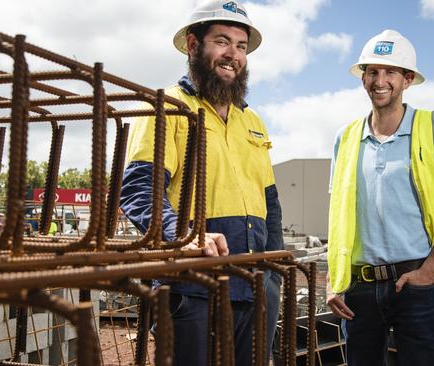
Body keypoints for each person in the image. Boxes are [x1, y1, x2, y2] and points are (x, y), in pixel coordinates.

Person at [119, 1, 283, 365]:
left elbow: (269, 202)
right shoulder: (167, 107)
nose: (233, 55)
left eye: (241, 46)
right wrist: (187, 235)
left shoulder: (252, 120)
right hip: (191, 285)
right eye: (222, 42)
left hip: (253, 285)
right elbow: (139, 189)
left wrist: (272, 275)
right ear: (194, 46)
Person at [326, 29, 434, 366]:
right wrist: (333, 282)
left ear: (407, 80)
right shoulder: (345, 138)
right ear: (363, 79)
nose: (380, 80)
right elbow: (338, 216)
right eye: (372, 71)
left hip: (415, 285)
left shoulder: (432, 127)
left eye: (390, 72)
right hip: (359, 290)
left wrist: (430, 271)